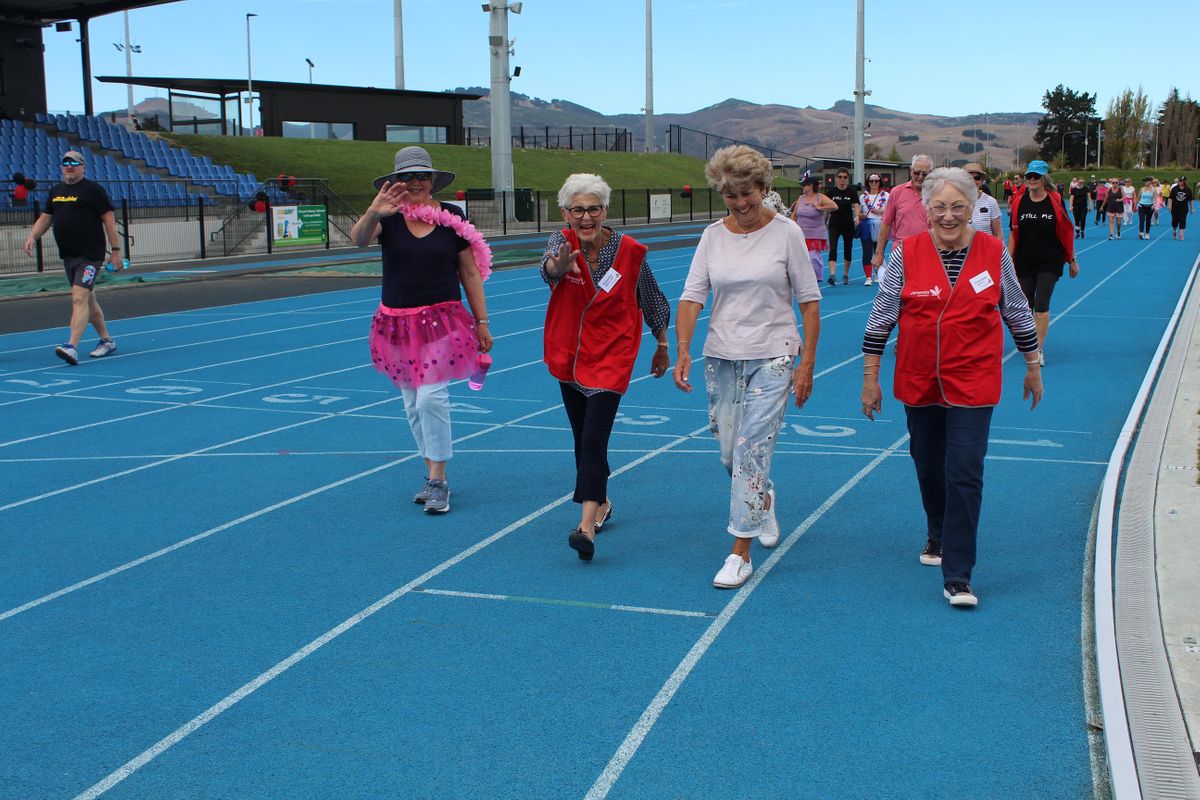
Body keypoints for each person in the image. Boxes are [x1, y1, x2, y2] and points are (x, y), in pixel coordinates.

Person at [861, 167, 1043, 608]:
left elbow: (1017, 310)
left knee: (964, 471)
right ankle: (938, 530)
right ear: (926, 210)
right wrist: (871, 377)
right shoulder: (907, 253)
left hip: (974, 380)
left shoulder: (993, 251)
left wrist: (1033, 364)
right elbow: (883, 314)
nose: (948, 216)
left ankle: (958, 575)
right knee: (927, 464)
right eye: (939, 206)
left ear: (973, 207)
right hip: (919, 379)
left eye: (957, 206)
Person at [674, 145, 821, 589]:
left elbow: (810, 303)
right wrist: (683, 347)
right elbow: (692, 296)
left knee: (750, 449)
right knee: (727, 453)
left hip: (774, 353)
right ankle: (763, 498)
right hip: (721, 354)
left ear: (763, 189)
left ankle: (739, 552)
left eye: (747, 196)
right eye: (731, 196)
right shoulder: (712, 236)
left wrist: (806, 364)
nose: (740, 205)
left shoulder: (787, 234)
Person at [350, 146, 493, 514]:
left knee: (431, 397)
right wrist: (372, 212)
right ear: (394, 182)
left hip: (442, 322)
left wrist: (482, 321)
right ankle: (431, 473)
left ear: (432, 181)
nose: (415, 182)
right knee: (412, 404)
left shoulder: (451, 217)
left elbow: (470, 271)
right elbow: (358, 239)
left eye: (421, 176)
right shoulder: (388, 217)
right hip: (396, 324)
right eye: (406, 176)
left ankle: (440, 480)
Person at [541, 174, 671, 561]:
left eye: (592, 209)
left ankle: (585, 525)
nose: (585, 217)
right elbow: (548, 268)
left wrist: (662, 344)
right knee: (582, 436)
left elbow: (651, 297)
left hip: (612, 354)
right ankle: (602, 501)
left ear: (605, 211)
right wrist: (557, 267)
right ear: (565, 213)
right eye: (577, 210)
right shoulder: (559, 242)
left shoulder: (629, 251)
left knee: (594, 436)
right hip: (569, 352)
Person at [23, 150, 121, 365]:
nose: (69, 166)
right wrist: (32, 236)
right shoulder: (56, 191)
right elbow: (46, 217)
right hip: (69, 256)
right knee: (88, 299)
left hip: (90, 255)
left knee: (78, 297)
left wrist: (115, 251)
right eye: (65, 162)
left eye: (74, 163)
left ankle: (72, 347)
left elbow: (109, 220)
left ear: (82, 166)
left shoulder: (93, 190)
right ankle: (107, 340)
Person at [1008, 161, 1080, 367]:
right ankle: (1030, 342)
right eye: (1029, 176)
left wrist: (1072, 260)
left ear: (1044, 178)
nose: (1031, 180)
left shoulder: (1055, 200)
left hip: (1051, 258)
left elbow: (1066, 231)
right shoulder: (1019, 202)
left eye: (1036, 176)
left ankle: (1038, 349)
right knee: (1026, 305)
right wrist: (1007, 261)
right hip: (1024, 259)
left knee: (1041, 305)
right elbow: (1014, 232)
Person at [870, 154, 934, 281]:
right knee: (900, 294)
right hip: (901, 252)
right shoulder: (897, 192)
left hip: (928, 252)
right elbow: (886, 223)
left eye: (925, 174)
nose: (920, 177)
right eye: (917, 172)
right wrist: (879, 254)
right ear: (911, 171)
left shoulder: (937, 193)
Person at [790, 175, 839, 285]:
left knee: (813, 258)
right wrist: (790, 227)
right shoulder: (801, 198)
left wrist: (820, 208)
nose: (802, 187)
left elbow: (835, 206)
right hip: (801, 234)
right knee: (801, 259)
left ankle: (816, 278)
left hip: (815, 234)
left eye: (804, 185)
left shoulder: (820, 197)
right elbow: (794, 215)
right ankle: (804, 280)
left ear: (810, 186)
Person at [826, 168, 860, 285]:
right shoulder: (831, 192)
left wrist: (857, 217)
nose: (842, 179)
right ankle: (832, 275)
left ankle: (845, 275)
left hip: (848, 224)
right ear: (836, 178)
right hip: (834, 224)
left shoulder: (851, 192)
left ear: (847, 179)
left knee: (848, 249)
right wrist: (823, 222)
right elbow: (827, 208)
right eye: (840, 177)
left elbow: (856, 205)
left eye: (845, 177)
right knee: (833, 248)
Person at [858, 173, 889, 285]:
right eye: (871, 181)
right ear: (868, 182)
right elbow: (859, 212)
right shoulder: (862, 197)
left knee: (879, 251)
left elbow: (891, 210)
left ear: (880, 182)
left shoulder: (886, 195)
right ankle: (868, 277)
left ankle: (879, 274)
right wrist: (861, 215)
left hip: (882, 225)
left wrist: (881, 211)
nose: (874, 183)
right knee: (866, 251)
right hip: (867, 225)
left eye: (876, 181)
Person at [964, 163, 1002, 238]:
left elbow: (998, 235)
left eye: (977, 178)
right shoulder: (955, 202)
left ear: (982, 181)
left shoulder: (991, 202)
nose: (973, 181)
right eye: (969, 178)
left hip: (986, 249)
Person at [1169, 175, 1193, 240]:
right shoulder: (1174, 189)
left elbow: (1190, 200)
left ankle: (1181, 235)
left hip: (1184, 208)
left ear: (1184, 182)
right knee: (1174, 222)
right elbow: (1170, 198)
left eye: (1181, 181)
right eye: (1179, 180)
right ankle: (1174, 231)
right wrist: (1169, 206)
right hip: (1174, 208)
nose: (1179, 182)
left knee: (1182, 220)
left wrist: (1191, 208)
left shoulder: (1188, 189)